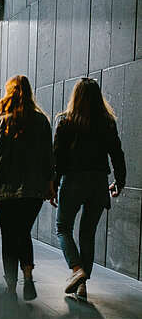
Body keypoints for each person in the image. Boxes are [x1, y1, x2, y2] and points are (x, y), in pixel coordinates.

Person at [0, 75, 55, 301]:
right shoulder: (41, 121)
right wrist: (50, 185)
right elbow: (48, 157)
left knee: (8, 236)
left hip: (5, 188)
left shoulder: (0, 121)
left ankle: (11, 286)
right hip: (34, 190)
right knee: (23, 232)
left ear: (9, 93)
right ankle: (28, 276)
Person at [53, 78, 126, 299]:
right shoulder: (107, 122)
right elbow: (117, 154)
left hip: (74, 181)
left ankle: (77, 270)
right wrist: (120, 181)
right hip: (98, 184)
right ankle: (83, 286)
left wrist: (53, 186)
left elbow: (58, 159)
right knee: (87, 234)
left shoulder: (66, 122)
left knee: (63, 228)